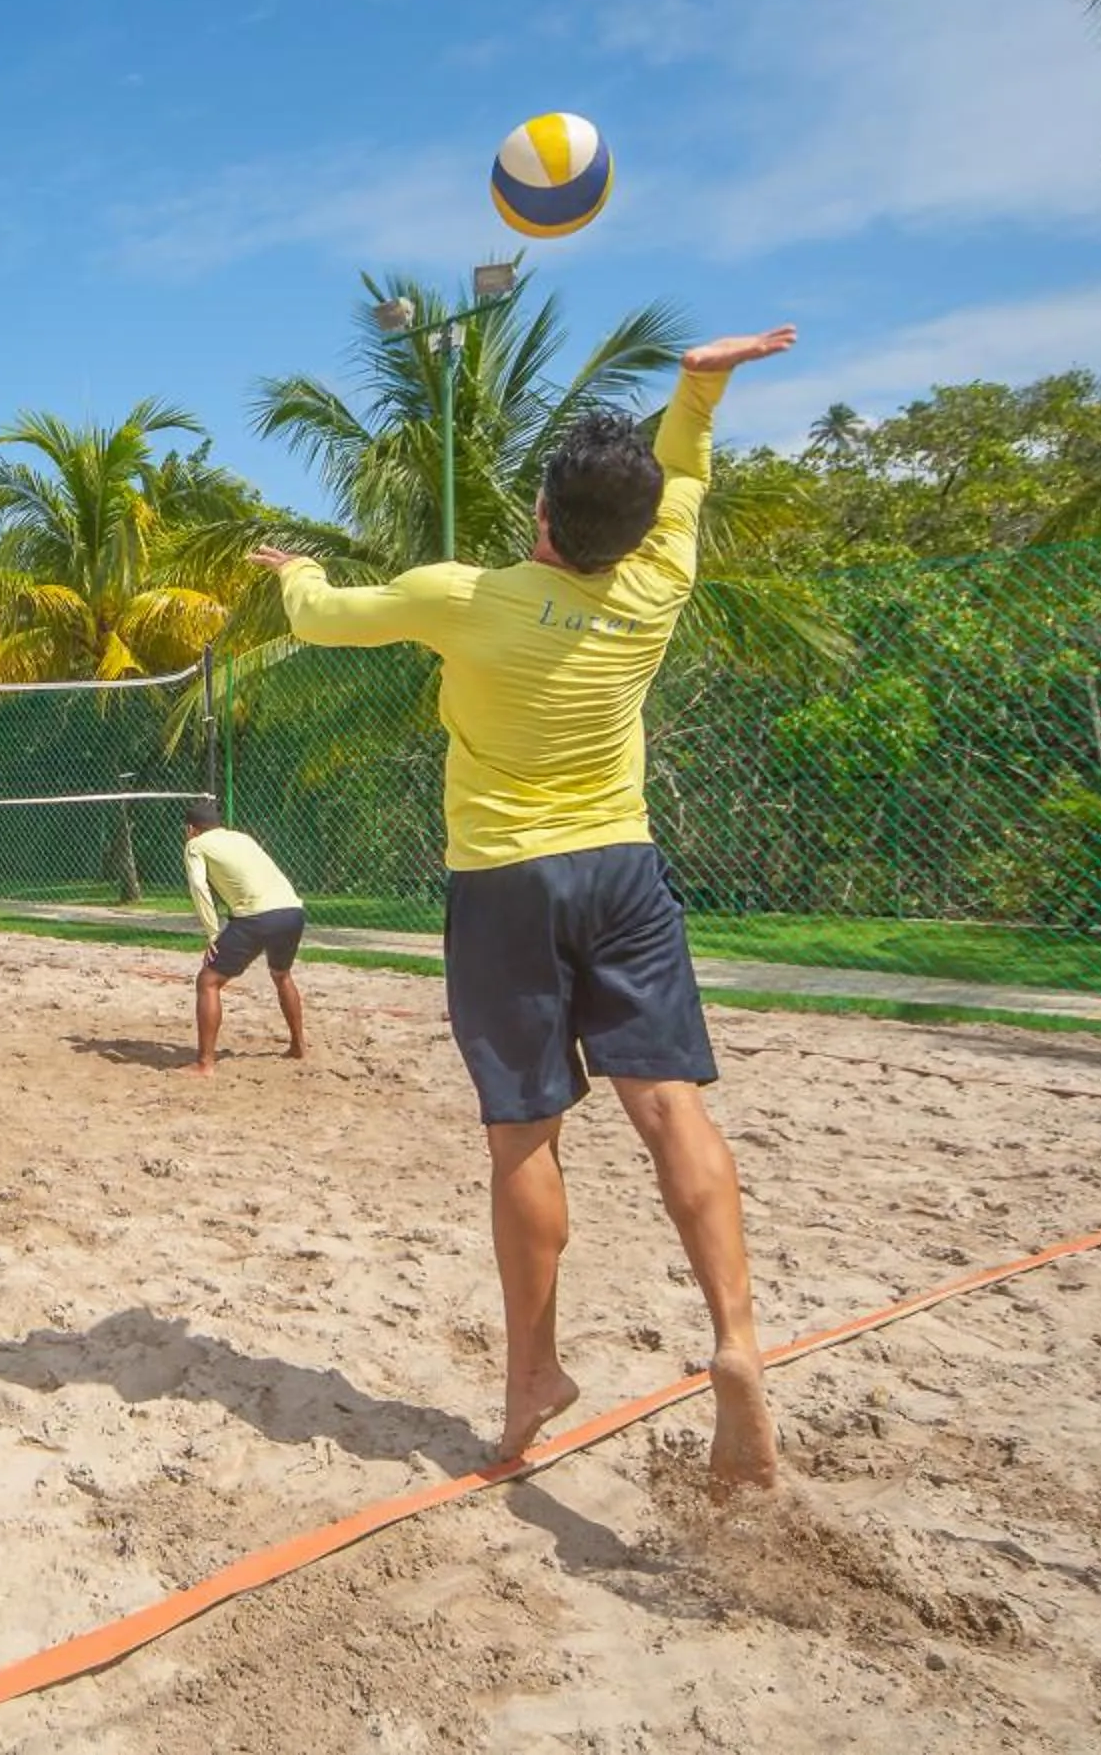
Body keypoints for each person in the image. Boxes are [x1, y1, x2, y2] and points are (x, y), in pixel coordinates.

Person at [253, 325, 799, 1495]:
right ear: (634, 533)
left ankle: (532, 1376)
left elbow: (318, 619)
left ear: (542, 516)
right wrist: (701, 385)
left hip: (504, 881)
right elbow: (688, 470)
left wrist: (291, 568)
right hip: (623, 868)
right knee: (673, 1109)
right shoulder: (659, 584)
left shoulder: (469, 598)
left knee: (525, 1136)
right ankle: (739, 1340)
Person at [180, 798, 307, 1077]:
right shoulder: (242, 838)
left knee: (208, 981)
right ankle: (298, 1046)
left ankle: (204, 1064)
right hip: (292, 910)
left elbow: (199, 888)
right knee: (282, 974)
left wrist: (213, 934)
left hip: (256, 916)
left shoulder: (195, 845)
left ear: (191, 829)